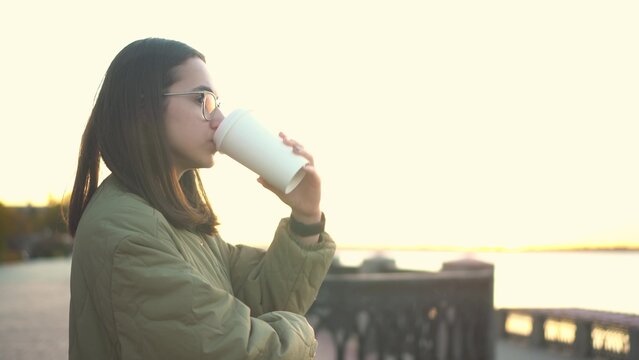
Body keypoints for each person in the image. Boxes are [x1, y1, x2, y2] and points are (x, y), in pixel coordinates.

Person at [67, 38, 335, 359]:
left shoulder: (176, 220)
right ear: (143, 106)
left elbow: (260, 296)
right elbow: (234, 350)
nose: (219, 118)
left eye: (216, 102)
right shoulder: (127, 231)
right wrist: (303, 332)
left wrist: (306, 215)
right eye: (202, 99)